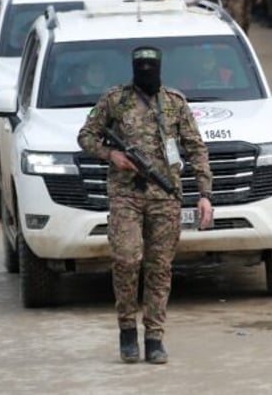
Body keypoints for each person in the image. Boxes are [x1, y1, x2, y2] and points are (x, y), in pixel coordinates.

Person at [77, 46, 213, 365]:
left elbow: (196, 148)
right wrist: (112, 155)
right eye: (142, 66)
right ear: (134, 68)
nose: (147, 71)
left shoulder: (174, 103)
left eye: (152, 66)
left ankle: (154, 337)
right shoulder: (116, 99)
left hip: (166, 197)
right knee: (126, 258)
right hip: (126, 194)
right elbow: (86, 136)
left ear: (161, 67)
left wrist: (205, 194)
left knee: (159, 267)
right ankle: (127, 330)